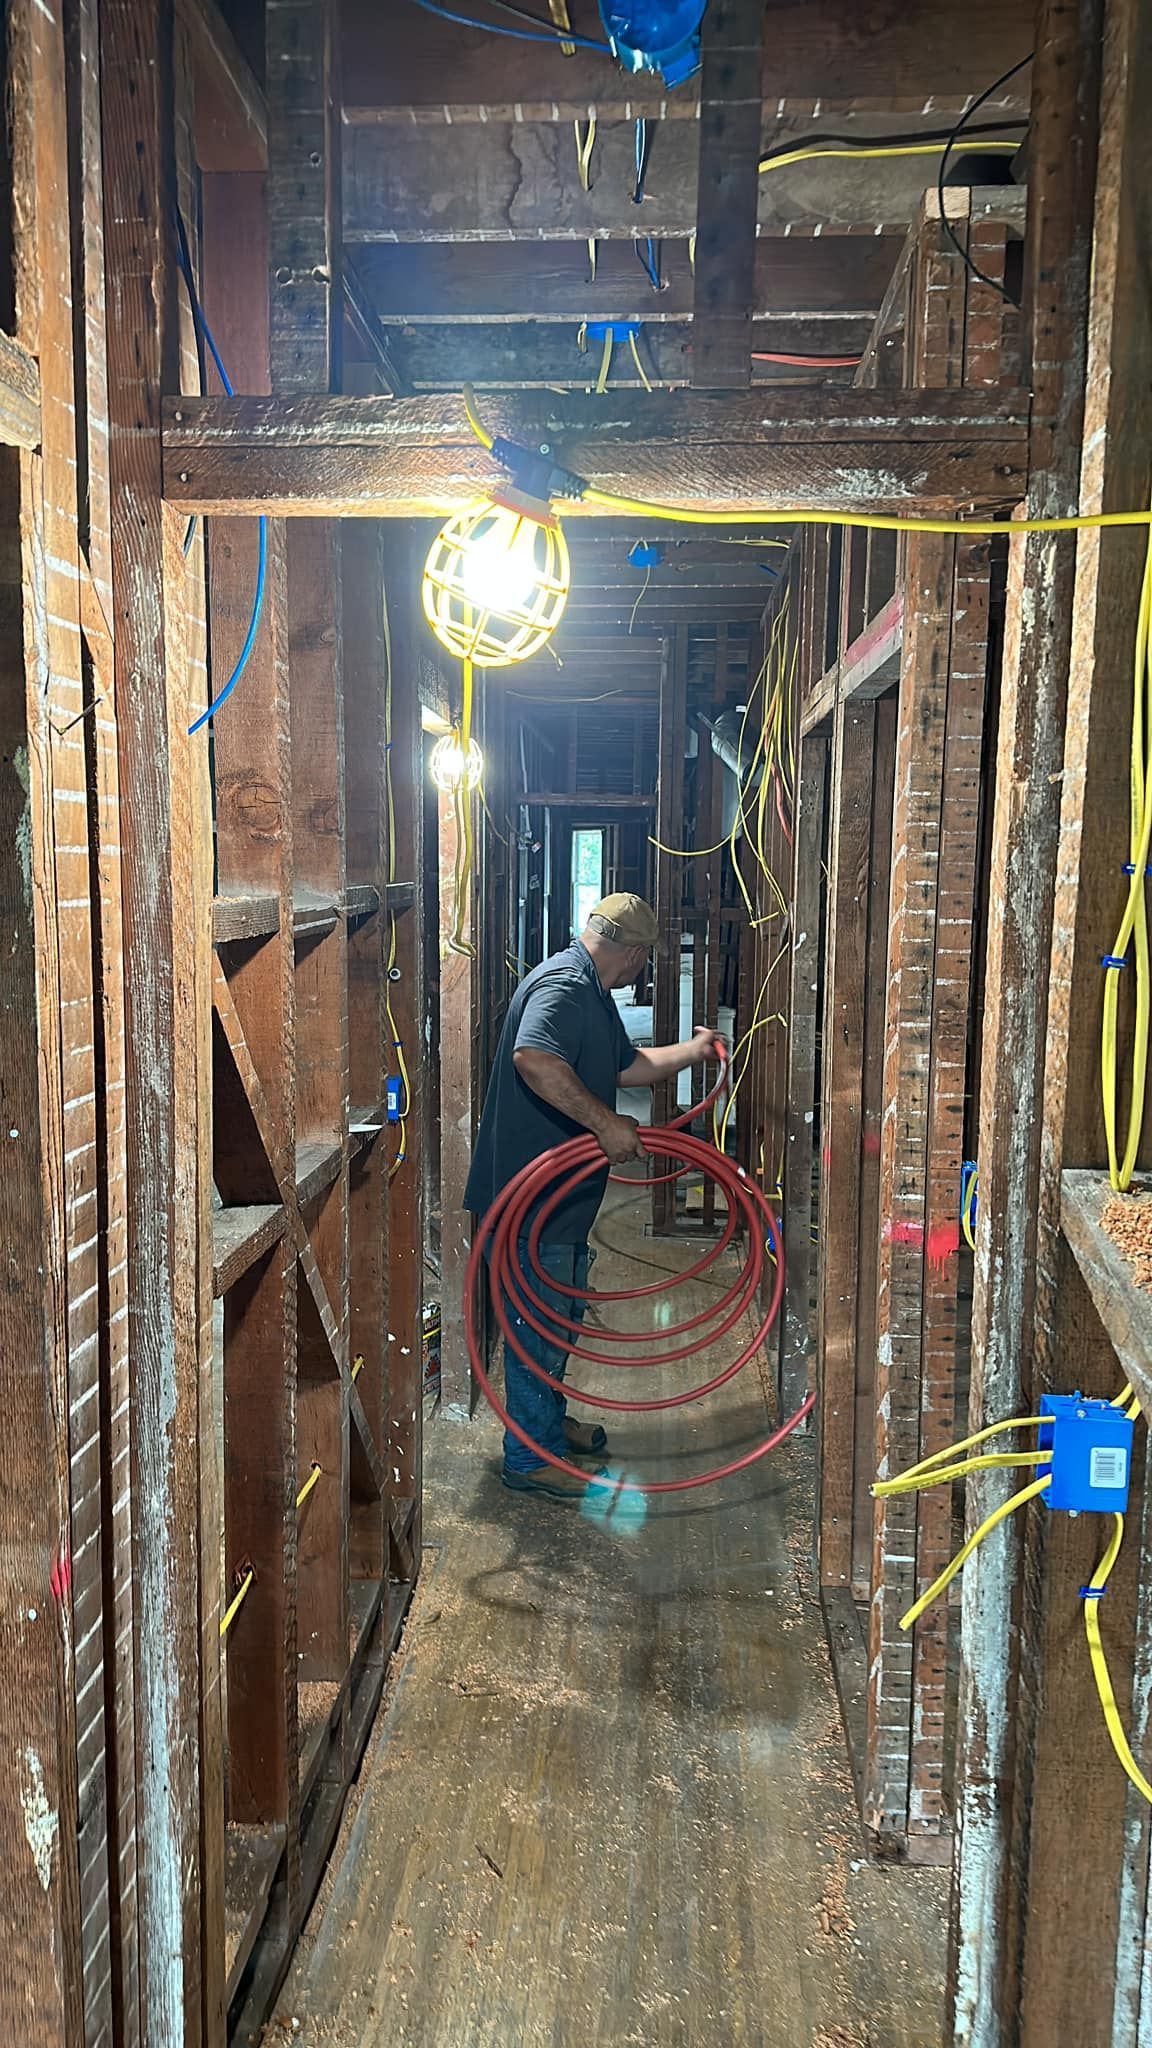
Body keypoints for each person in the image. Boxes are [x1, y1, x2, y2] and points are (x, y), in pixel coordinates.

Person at [465, 893, 716, 1503]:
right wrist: (606, 1124)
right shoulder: (564, 988)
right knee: (537, 1329)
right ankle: (530, 1457)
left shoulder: (593, 993)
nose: (642, 969)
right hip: (529, 1206)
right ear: (631, 954)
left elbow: (625, 1066)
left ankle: (547, 1425)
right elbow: (534, 1058)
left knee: (559, 1324)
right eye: (644, 959)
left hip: (563, 1202)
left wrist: (693, 1051)